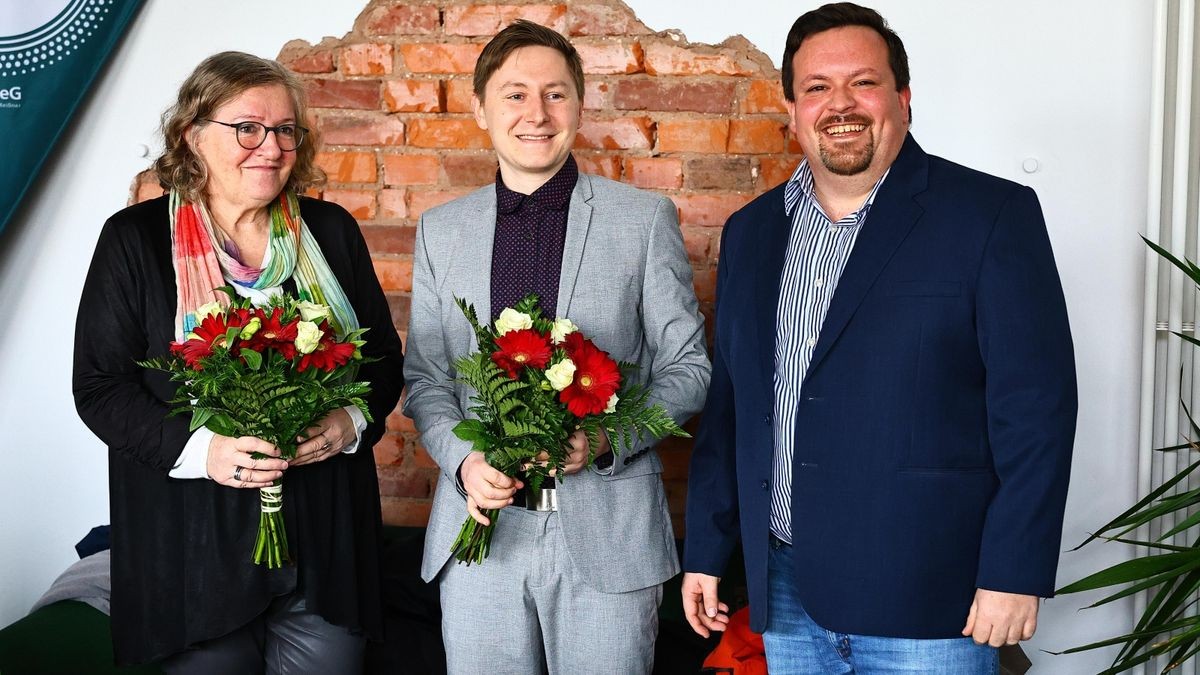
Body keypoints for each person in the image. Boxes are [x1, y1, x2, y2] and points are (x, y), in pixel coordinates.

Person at [681, 4, 1077, 673]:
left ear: (903, 98)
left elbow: (1037, 411)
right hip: (785, 591)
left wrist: (1015, 569)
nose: (841, 105)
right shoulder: (752, 232)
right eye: (817, 88)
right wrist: (705, 553)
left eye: (862, 82)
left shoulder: (989, 217)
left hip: (932, 600)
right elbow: (733, 409)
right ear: (792, 108)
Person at [72, 51, 404, 673]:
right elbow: (99, 387)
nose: (271, 147)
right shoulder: (135, 239)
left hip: (324, 548)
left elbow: (381, 358)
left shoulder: (330, 231)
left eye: (285, 130)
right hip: (190, 553)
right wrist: (206, 451)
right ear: (192, 135)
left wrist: (347, 422)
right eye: (247, 128)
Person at [403, 19, 711, 675]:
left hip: (609, 538)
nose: (536, 114)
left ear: (579, 103)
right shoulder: (440, 231)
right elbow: (426, 379)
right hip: (481, 537)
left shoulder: (642, 220)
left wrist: (603, 439)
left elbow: (689, 370)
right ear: (481, 107)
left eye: (555, 94)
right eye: (515, 94)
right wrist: (461, 461)